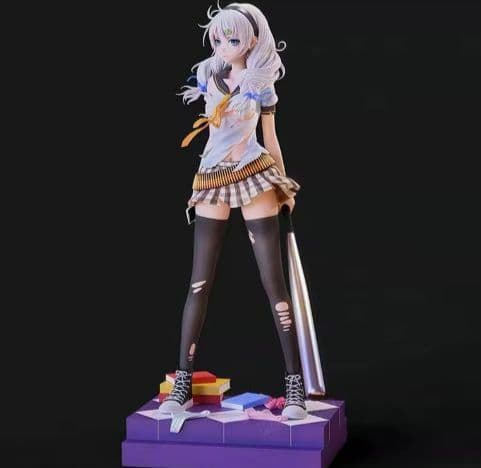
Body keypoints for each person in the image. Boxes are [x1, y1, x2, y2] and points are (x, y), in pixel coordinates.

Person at [159, 2, 307, 420]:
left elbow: (270, 137)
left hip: (253, 173)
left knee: (274, 282)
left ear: (252, 40)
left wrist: (284, 184)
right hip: (211, 177)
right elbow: (212, 134)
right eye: (218, 39)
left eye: (232, 39)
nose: (223, 46)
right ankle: (183, 381)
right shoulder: (208, 74)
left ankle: (294, 386)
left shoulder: (261, 84)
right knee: (198, 283)